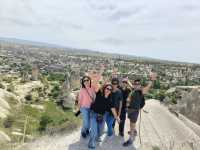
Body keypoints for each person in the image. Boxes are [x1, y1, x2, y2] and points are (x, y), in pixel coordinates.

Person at [123, 73, 157, 147]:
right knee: (132, 124)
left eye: (138, 84)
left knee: (132, 125)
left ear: (140, 85)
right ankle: (134, 131)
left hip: (134, 111)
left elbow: (147, 87)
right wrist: (127, 80)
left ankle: (130, 140)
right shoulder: (134, 90)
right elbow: (131, 85)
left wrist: (151, 80)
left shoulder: (140, 92)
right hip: (130, 110)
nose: (136, 85)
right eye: (135, 84)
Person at [88, 84, 120, 149]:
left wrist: (117, 118)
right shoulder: (99, 93)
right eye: (107, 88)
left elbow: (113, 110)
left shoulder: (110, 100)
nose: (108, 90)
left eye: (110, 89)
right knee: (94, 130)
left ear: (111, 91)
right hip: (93, 114)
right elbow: (98, 85)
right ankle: (91, 143)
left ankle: (97, 137)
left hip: (101, 116)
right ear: (104, 88)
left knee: (101, 130)